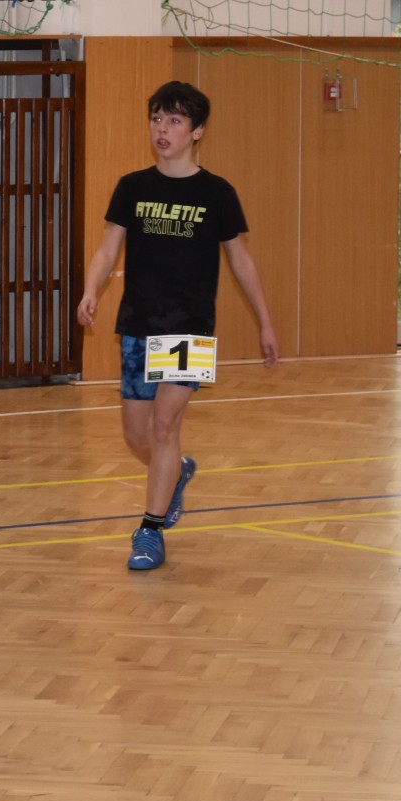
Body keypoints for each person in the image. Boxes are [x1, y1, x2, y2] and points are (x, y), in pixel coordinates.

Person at [76, 80, 279, 571]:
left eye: (174, 120)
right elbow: (107, 248)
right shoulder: (132, 187)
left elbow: (241, 261)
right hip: (138, 323)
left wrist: (265, 323)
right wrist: (91, 290)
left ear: (197, 130)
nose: (162, 129)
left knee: (166, 426)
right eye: (157, 119)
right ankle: (178, 473)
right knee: (136, 436)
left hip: (189, 328)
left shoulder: (217, 193)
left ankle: (149, 531)